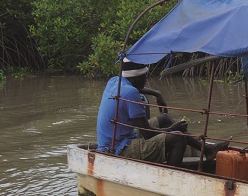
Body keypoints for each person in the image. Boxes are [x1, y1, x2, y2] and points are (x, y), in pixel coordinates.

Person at [96, 58, 226, 166]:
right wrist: (171, 129)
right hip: (119, 149)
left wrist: (156, 93)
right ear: (137, 77)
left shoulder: (114, 81)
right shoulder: (131, 93)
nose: (145, 80)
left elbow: (135, 88)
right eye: (144, 77)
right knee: (178, 137)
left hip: (117, 140)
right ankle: (169, 176)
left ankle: (207, 149)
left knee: (164, 118)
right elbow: (147, 133)